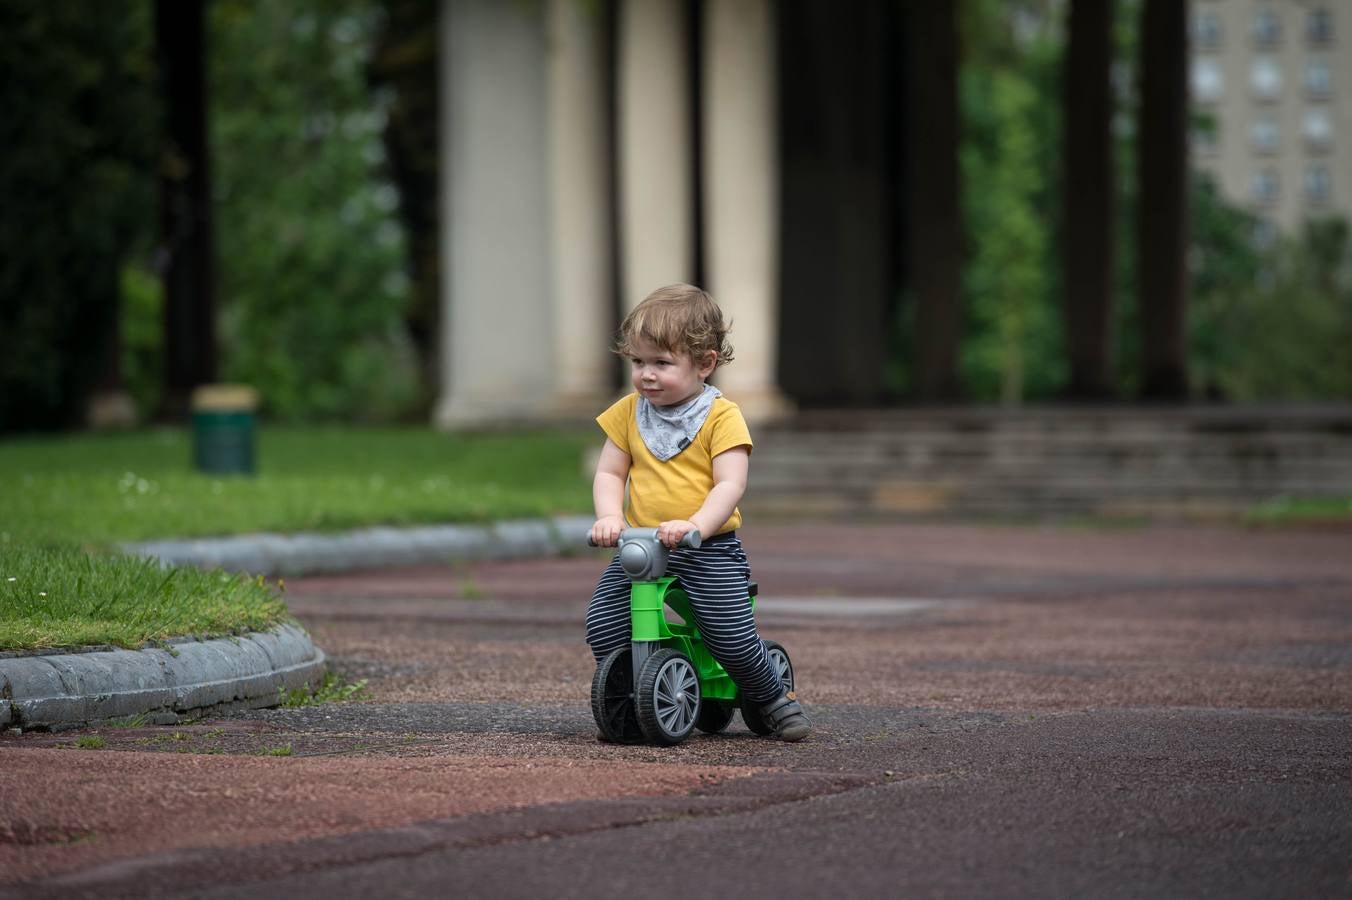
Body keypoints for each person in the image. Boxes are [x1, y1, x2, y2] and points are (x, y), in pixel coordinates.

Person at [586, 283, 811, 742]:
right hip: (644, 546)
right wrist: (610, 516)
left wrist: (696, 525)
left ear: (705, 363)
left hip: (706, 548)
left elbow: (731, 483)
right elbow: (610, 472)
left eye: (661, 363)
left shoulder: (721, 417)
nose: (646, 375)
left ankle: (771, 697)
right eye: (638, 362)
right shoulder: (629, 413)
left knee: (730, 638)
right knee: (603, 623)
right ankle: (640, 691)